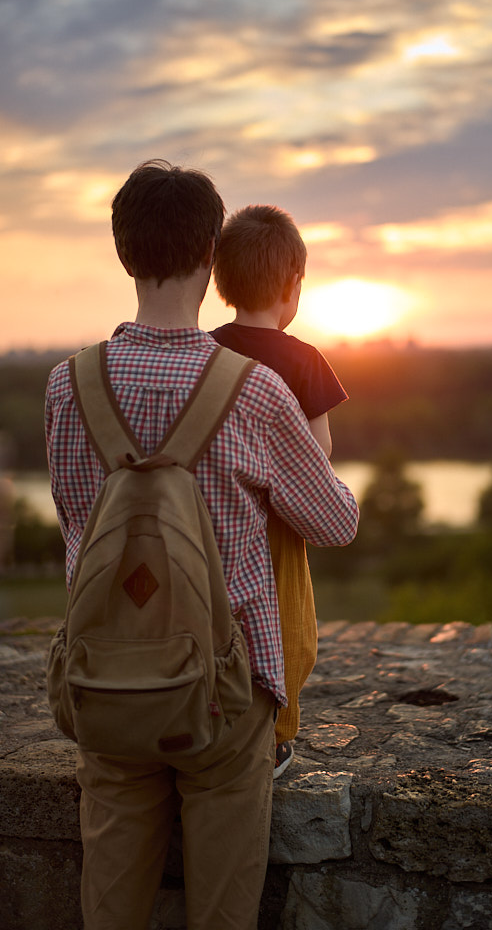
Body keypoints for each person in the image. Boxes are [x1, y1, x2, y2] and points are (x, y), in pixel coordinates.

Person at [45, 160, 359, 930]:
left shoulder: (66, 385)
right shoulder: (252, 388)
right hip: (225, 695)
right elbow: (335, 522)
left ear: (124, 252)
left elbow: (75, 526)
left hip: (108, 681)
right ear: (209, 255)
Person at [211, 204, 348, 779]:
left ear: (222, 284)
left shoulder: (206, 351)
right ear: (293, 285)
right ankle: (273, 738)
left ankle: (215, 716)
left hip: (215, 520)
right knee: (290, 631)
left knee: (217, 627)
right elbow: (318, 462)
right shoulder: (304, 361)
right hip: (278, 530)